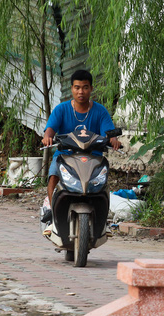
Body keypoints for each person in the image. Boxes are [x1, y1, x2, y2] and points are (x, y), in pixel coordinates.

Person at [41, 69, 122, 219]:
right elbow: (50, 128)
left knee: (103, 181)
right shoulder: (61, 109)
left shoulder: (100, 111)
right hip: (65, 155)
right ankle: (52, 210)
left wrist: (113, 140)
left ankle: (103, 216)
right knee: (53, 175)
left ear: (91, 89)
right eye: (77, 87)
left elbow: (109, 131)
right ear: (72, 89)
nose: (81, 92)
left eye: (85, 87)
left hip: (93, 156)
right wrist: (48, 137)